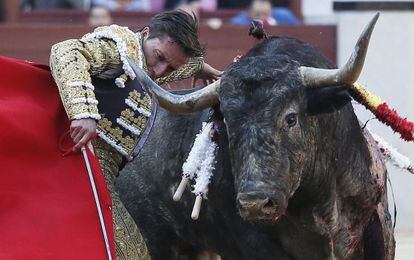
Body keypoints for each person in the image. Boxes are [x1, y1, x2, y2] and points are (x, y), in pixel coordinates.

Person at [49, 10, 221, 259]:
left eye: (170, 66)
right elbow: (66, 51)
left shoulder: (151, 60)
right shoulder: (123, 46)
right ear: (146, 34)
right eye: (159, 57)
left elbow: (178, 64)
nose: (160, 71)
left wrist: (205, 69)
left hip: (97, 174)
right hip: (77, 164)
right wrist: (82, 111)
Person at [231, 0, 300, 26]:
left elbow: (299, 29)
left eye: (265, 14)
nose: (262, 17)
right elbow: (235, 23)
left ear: (270, 11)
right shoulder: (241, 20)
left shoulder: (284, 15)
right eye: (257, 14)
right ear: (250, 12)